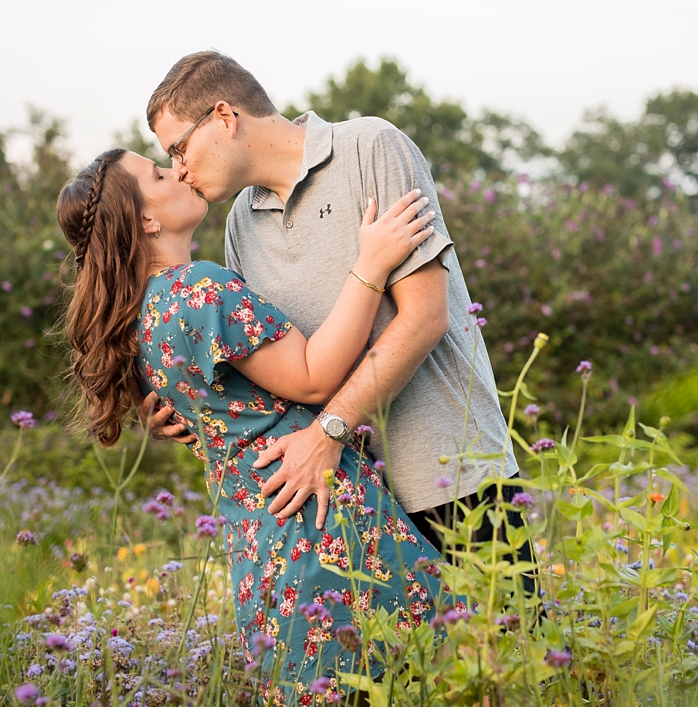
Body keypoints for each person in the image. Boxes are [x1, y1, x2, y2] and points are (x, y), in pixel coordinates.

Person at [56, 148, 463, 706]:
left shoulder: (144, 313)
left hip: (259, 540)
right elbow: (314, 378)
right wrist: (372, 263)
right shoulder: (201, 288)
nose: (176, 170)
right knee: (433, 676)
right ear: (146, 219)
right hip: (318, 521)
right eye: (157, 172)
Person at [141, 51, 535, 580]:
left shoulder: (370, 146)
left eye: (178, 148)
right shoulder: (239, 223)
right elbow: (274, 371)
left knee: (514, 654)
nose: (178, 169)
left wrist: (329, 432)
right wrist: (187, 409)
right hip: (348, 503)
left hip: (452, 478)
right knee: (399, 667)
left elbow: (425, 317)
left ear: (225, 118)